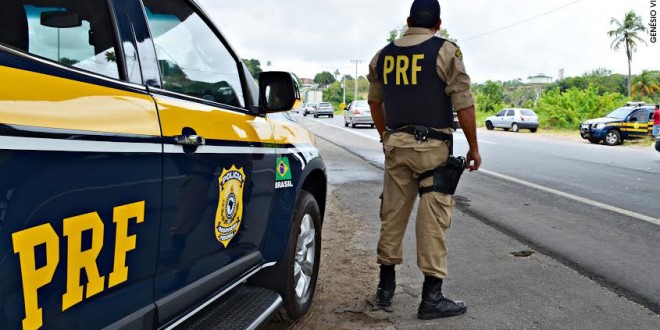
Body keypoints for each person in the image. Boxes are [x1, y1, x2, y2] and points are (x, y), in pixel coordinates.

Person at [366, 0, 481, 320]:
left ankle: (384, 291)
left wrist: (385, 136)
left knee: (392, 216)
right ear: (438, 23)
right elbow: (463, 104)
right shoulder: (446, 51)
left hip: (397, 147)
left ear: (408, 20)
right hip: (432, 149)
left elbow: (375, 102)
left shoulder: (383, 55)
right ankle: (432, 298)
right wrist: (473, 147)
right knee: (433, 221)